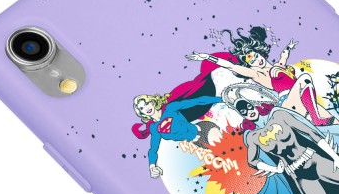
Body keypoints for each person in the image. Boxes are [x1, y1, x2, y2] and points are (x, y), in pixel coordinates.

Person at [186, 26, 338, 126]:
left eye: (256, 56)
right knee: (304, 78)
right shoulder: (256, 73)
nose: (256, 60)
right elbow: (231, 66)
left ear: (260, 52)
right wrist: (207, 57)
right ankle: (316, 118)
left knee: (334, 121)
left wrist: (288, 47)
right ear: (249, 65)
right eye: (251, 61)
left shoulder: (278, 67)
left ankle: (317, 117)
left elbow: (284, 56)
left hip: (304, 98)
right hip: (289, 102)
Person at [133, 94, 222, 178]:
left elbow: (196, 101)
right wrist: (152, 167)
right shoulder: (154, 128)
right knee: (222, 158)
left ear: (152, 102)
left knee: (221, 147)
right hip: (199, 142)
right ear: (141, 113)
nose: (146, 108)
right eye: (142, 108)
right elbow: (153, 149)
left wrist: (221, 99)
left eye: (147, 103)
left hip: (203, 129)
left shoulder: (169, 108)